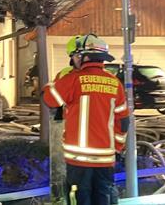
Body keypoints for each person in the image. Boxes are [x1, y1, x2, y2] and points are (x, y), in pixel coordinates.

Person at [42, 34, 129, 205]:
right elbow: (123, 121)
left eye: (75, 56)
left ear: (85, 56)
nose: (73, 60)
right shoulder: (115, 84)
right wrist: (117, 148)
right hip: (105, 158)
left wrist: (58, 80)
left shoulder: (73, 79)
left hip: (78, 158)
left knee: (79, 197)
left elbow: (49, 99)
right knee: (103, 196)